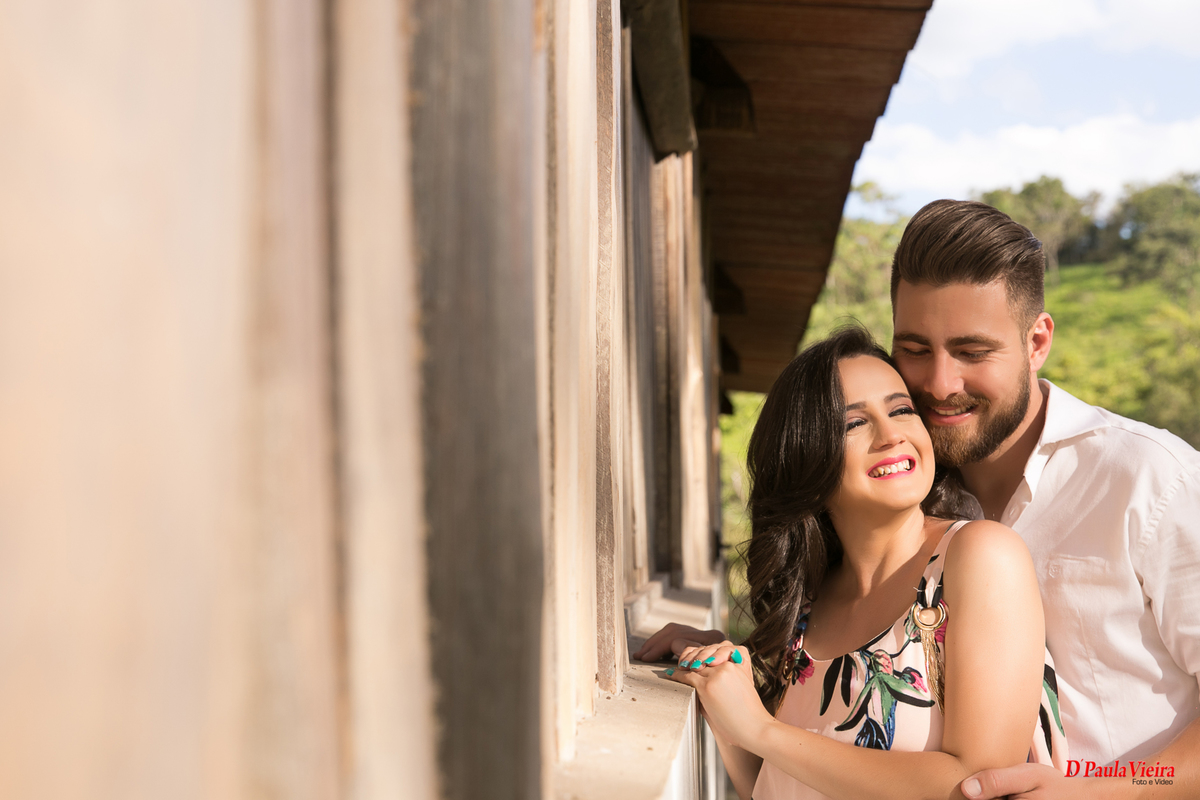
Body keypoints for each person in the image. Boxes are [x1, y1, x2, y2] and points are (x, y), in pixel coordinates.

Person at [634, 326, 1067, 800]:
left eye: (902, 410)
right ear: (807, 456)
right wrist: (723, 684)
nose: (892, 435)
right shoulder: (806, 609)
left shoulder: (979, 556)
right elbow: (779, 785)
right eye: (853, 424)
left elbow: (982, 783)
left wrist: (761, 730)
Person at [887, 200, 1200, 799]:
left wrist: (1109, 791)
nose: (939, 384)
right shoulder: (899, 490)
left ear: (1037, 342)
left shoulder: (1152, 480)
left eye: (972, 352)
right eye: (915, 349)